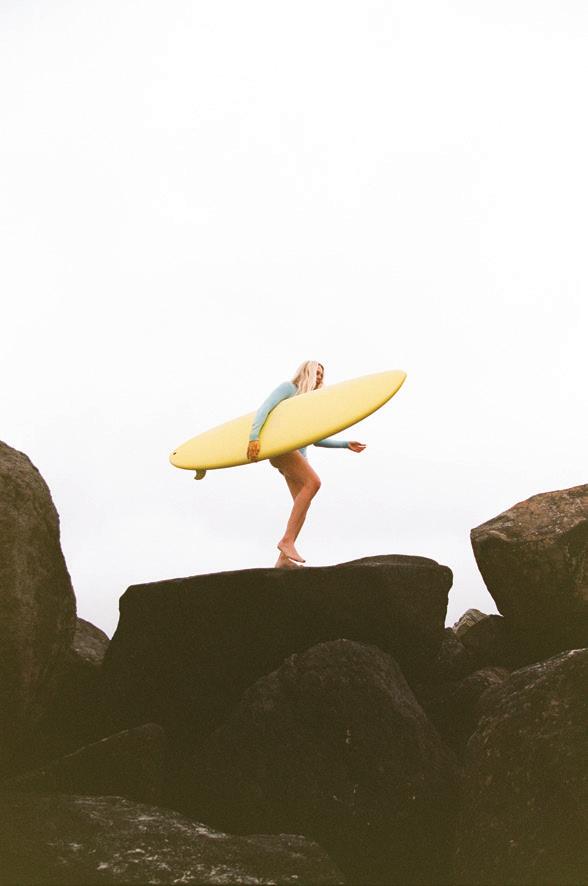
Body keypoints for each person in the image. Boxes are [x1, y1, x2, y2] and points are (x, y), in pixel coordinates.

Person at [246, 361, 366, 568]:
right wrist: (254, 438)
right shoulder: (289, 388)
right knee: (314, 483)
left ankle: (283, 559)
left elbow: (315, 439)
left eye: (322, 374)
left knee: (302, 505)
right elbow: (263, 409)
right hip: (283, 449)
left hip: (297, 457)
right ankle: (286, 541)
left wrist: (345, 444)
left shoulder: (310, 404)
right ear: (306, 372)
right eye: (316, 372)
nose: (319, 377)